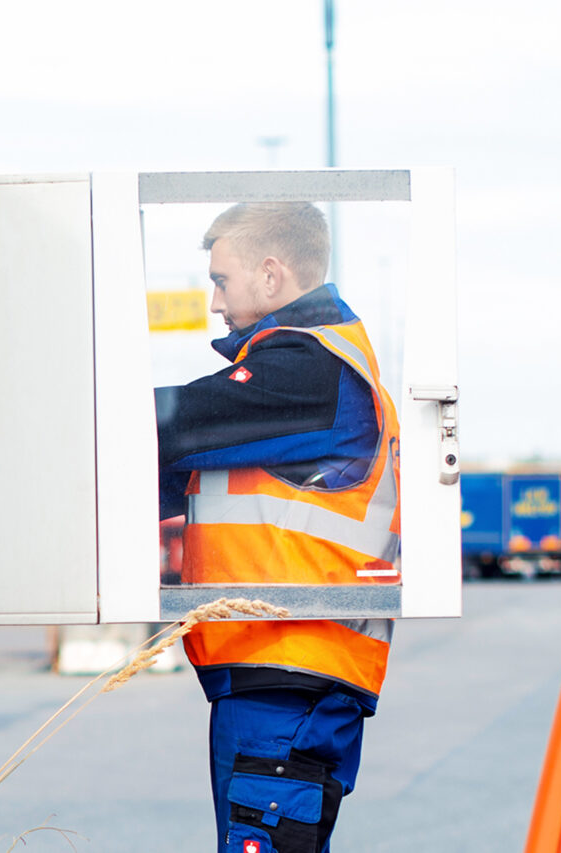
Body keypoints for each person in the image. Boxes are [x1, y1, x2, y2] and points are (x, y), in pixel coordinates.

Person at [155, 202, 398, 853]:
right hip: (280, 673)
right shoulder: (298, 380)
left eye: (221, 280)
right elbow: (173, 462)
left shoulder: (311, 373)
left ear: (270, 274)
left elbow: (174, 424)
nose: (213, 302)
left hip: (291, 676)